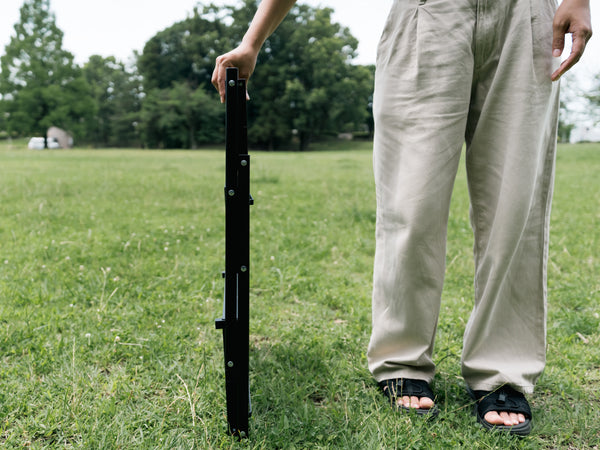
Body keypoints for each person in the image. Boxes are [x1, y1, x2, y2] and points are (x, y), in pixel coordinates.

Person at [212, 0, 592, 436]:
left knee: (516, 209)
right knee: (410, 202)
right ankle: (402, 356)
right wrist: (252, 41)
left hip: (526, 16)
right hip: (428, 15)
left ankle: (502, 371)